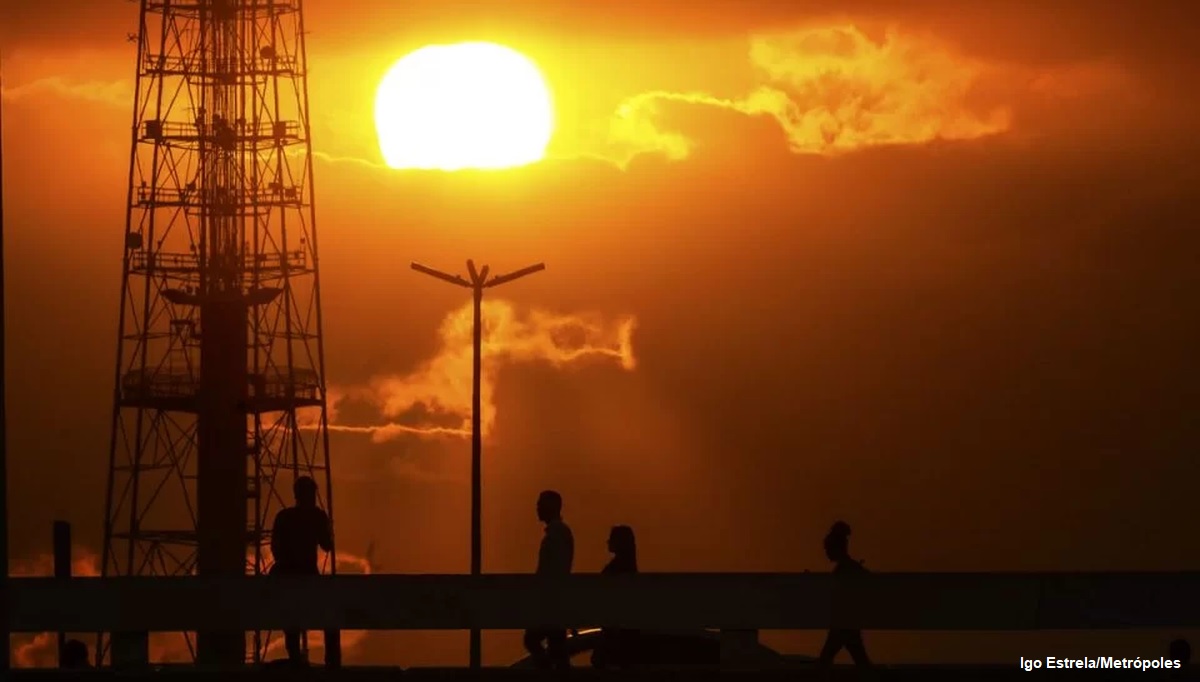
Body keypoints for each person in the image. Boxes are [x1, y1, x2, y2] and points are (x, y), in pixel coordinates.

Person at [270, 476, 333, 664]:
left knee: (292, 619)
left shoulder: (284, 517)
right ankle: (329, 660)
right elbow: (328, 545)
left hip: (287, 575)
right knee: (327, 615)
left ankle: (295, 656)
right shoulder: (316, 516)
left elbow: (276, 548)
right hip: (305, 575)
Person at [523, 490, 574, 670]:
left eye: (540, 504)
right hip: (554, 601)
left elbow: (551, 570)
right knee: (557, 647)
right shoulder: (559, 532)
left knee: (533, 639)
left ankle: (548, 671)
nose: (537, 508)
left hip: (552, 602)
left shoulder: (557, 533)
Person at [817, 521, 872, 670]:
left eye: (828, 548)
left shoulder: (844, 570)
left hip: (843, 624)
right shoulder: (851, 568)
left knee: (825, 661)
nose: (826, 552)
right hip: (847, 623)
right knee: (861, 661)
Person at [592, 525, 639, 669]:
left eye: (612, 538)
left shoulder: (615, 570)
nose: (608, 541)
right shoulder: (629, 570)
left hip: (614, 630)